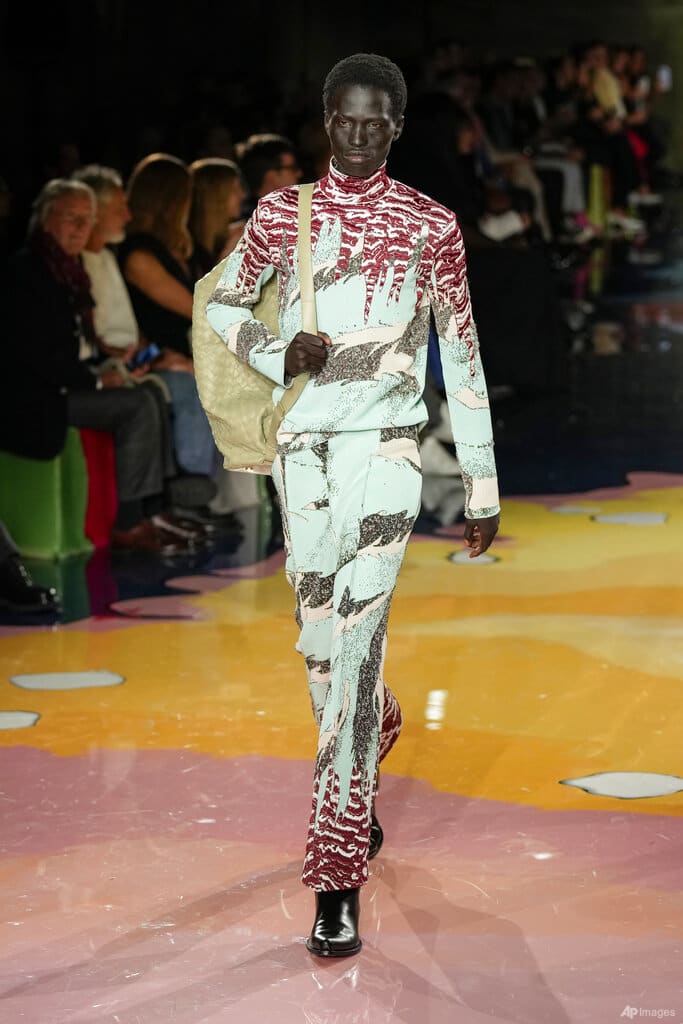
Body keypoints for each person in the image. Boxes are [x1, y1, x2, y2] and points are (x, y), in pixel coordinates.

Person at [204, 53, 500, 957]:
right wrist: (273, 350)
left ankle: (336, 874)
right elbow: (222, 304)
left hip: (388, 450)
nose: (360, 134)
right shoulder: (280, 213)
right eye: (345, 119)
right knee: (320, 647)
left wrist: (481, 482)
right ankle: (369, 737)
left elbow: (462, 349)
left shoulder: (430, 223)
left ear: (396, 126)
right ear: (326, 120)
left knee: (359, 642)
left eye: (376, 121)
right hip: (302, 454)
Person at [2, 179, 190, 554]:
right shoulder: (25, 272)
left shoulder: (68, 270)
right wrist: (97, 379)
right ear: (45, 219)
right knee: (136, 404)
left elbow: (75, 345)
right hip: (37, 398)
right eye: (71, 218)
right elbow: (37, 357)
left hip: (67, 382)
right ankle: (128, 522)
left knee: (151, 392)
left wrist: (107, 362)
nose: (79, 228)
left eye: (86, 220)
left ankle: (154, 507)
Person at [119, 153, 218, 492]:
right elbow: (195, 308)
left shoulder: (180, 249)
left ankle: (215, 493)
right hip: (152, 355)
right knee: (190, 385)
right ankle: (191, 485)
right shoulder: (139, 254)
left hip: (187, 353)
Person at [188, 158, 246, 277]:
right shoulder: (189, 247)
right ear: (215, 196)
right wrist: (230, 252)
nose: (242, 195)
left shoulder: (226, 237)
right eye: (234, 189)